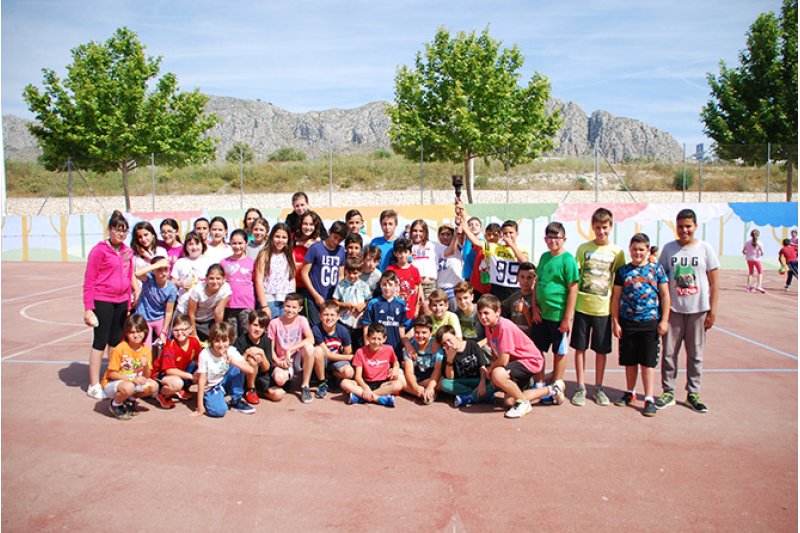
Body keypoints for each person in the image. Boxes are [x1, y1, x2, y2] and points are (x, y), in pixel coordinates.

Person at [656, 208, 719, 413]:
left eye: (688, 226)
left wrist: (712, 310)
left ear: (695, 227)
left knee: (695, 354)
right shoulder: (668, 249)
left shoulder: (705, 249)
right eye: (681, 226)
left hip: (698, 310)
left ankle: (693, 393)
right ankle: (668, 392)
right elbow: (660, 280)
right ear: (676, 226)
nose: (684, 230)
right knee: (669, 353)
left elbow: (714, 282)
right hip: (673, 310)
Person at [570, 207, 625, 407]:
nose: (601, 231)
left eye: (604, 227)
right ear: (592, 227)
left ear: (610, 227)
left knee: (601, 351)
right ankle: (580, 387)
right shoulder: (583, 249)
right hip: (582, 308)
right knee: (580, 348)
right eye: (597, 227)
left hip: (604, 310)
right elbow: (575, 280)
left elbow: (618, 285)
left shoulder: (617, 253)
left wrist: (617, 316)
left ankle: (599, 387)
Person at [611, 233, 670, 417]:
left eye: (641, 249)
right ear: (630, 249)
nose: (638, 253)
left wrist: (664, 320)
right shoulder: (622, 271)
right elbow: (616, 297)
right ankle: (630, 392)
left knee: (647, 363)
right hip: (628, 322)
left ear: (647, 250)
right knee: (629, 361)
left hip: (649, 323)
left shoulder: (656, 270)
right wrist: (615, 321)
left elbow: (665, 296)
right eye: (634, 249)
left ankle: (649, 398)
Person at [479, 294, 565, 418]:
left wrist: (492, 369)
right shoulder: (489, 327)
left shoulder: (504, 327)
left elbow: (503, 361)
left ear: (498, 312)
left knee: (498, 374)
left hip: (530, 360)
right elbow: (494, 350)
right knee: (509, 401)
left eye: (486, 313)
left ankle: (524, 403)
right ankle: (553, 390)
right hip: (517, 361)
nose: (483, 317)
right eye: (480, 313)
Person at [84, 210, 136, 400]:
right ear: (109, 229)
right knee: (100, 340)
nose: (120, 234)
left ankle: (109, 378)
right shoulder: (99, 251)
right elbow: (89, 280)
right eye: (117, 229)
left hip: (121, 301)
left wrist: (129, 303)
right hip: (103, 299)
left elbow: (129, 277)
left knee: (115, 341)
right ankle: (93, 384)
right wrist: (89, 308)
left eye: (124, 231)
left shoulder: (127, 252)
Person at [530, 222, 579, 387]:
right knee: (537, 350)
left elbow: (573, 290)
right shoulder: (544, 257)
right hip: (541, 315)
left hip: (558, 316)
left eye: (556, 237)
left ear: (564, 239)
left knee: (559, 352)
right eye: (549, 238)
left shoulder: (568, 260)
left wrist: (567, 318)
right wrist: (535, 307)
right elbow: (537, 283)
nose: (553, 241)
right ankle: (539, 383)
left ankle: (557, 384)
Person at [102, 314, 159, 419]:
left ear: (145, 332)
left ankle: (130, 399)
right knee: (129, 387)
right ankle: (115, 404)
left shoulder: (146, 350)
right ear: (126, 333)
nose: (136, 335)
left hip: (133, 382)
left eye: (139, 332)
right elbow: (112, 373)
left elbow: (147, 375)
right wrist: (131, 379)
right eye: (132, 332)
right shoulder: (120, 348)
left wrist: (145, 365)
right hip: (114, 383)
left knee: (153, 386)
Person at [195, 322, 255, 417]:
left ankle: (236, 399)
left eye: (224, 341)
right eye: (217, 341)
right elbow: (202, 380)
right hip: (212, 386)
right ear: (212, 341)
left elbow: (250, 370)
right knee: (219, 411)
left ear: (229, 341)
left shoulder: (231, 350)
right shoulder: (205, 354)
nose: (221, 344)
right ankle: (213, 398)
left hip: (223, 380)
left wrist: (233, 362)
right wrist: (200, 406)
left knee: (238, 366)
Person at [266, 293, 317, 403]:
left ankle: (305, 386)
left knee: (309, 348)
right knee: (279, 380)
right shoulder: (274, 323)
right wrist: (278, 362)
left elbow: (310, 339)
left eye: (294, 307)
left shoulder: (302, 320)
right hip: (282, 360)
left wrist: (289, 350)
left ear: (300, 309)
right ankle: (287, 380)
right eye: (288, 306)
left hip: (297, 358)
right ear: (283, 305)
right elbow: (270, 348)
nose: (290, 310)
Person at [341, 323, 403, 407]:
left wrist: (396, 367)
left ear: (384, 339)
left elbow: (395, 361)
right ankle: (379, 399)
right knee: (344, 383)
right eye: (373, 338)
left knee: (398, 384)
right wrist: (366, 388)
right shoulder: (360, 352)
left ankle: (362, 398)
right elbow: (358, 377)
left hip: (382, 384)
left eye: (379, 339)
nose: (376, 342)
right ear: (367, 338)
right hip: (365, 383)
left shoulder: (389, 349)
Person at [300, 221, 348, 325]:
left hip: (331, 300)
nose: (336, 242)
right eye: (335, 237)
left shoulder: (341, 251)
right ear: (329, 232)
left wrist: (338, 297)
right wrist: (315, 295)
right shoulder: (315, 248)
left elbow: (341, 276)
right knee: (316, 329)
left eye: (340, 240)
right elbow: (304, 273)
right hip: (314, 298)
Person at [436, 325, 495, 407]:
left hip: (477, 380)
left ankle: (469, 398)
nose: (448, 344)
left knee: (495, 379)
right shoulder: (447, 354)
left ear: (455, 335)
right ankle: (480, 396)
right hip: (462, 383)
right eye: (444, 343)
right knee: (444, 383)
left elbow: (482, 365)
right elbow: (450, 378)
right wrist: (450, 360)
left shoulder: (472, 345)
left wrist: (482, 382)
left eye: (449, 340)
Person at [152, 313, 202, 408]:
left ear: (190, 329)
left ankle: (182, 389)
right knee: (177, 383)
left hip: (181, 370)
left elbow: (201, 359)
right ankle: (162, 393)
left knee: (202, 369)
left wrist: (200, 373)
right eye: (176, 330)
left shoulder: (194, 341)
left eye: (183, 329)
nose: (179, 333)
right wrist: (191, 376)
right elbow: (169, 370)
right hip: (161, 375)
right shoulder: (170, 346)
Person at [311, 301, 355, 398]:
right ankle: (322, 382)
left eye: (332, 315)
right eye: (326, 315)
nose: (329, 318)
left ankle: (333, 375)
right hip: (322, 360)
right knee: (317, 350)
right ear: (320, 316)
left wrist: (348, 356)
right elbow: (329, 355)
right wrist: (350, 357)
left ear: (338, 316)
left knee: (349, 372)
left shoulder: (343, 330)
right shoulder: (316, 329)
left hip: (337, 360)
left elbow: (348, 351)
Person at [254, 223, 296, 320]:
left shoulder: (290, 254)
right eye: (277, 236)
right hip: (269, 300)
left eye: (284, 237)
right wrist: (264, 305)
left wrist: (292, 301)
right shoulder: (264, 254)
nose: (280, 240)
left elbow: (292, 278)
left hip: (285, 301)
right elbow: (259, 281)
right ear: (271, 237)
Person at [134, 256, 178, 349]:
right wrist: (155, 265)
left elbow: (169, 311)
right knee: (146, 347)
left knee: (167, 345)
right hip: (144, 316)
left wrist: (164, 331)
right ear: (153, 271)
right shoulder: (149, 279)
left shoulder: (171, 288)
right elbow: (137, 274)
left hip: (159, 317)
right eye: (159, 270)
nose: (163, 273)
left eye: (166, 270)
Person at [361, 270, 407, 355]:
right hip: (376, 347)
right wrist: (367, 345)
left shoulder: (401, 304)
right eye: (384, 284)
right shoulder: (373, 303)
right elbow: (366, 326)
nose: (387, 288)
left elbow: (401, 327)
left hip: (395, 347)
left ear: (396, 286)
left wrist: (405, 345)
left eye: (390, 285)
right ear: (380, 285)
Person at [221, 229, 256, 338]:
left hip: (247, 305)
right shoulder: (224, 262)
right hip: (229, 305)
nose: (237, 246)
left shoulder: (252, 262)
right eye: (234, 243)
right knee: (232, 336)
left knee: (246, 335)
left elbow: (256, 282)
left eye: (240, 243)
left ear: (246, 243)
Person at [183, 264, 232, 341]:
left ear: (224, 279)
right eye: (211, 278)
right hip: (189, 316)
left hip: (208, 319)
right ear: (206, 279)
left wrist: (218, 332)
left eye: (218, 278)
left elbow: (219, 312)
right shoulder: (198, 290)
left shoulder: (225, 289)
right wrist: (194, 334)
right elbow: (191, 313)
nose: (215, 282)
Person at [332, 256, 372, 351]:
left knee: (358, 344)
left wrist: (363, 305)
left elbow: (369, 300)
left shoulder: (364, 285)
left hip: (359, 321)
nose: (352, 276)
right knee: (346, 344)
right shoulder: (341, 285)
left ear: (360, 272)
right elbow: (334, 301)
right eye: (349, 273)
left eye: (355, 273)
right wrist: (343, 305)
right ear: (345, 271)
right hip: (345, 320)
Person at [233, 310, 272, 405]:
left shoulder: (266, 340)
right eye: (255, 325)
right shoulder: (240, 341)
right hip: (244, 377)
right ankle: (250, 389)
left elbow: (267, 368)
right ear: (248, 324)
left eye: (261, 327)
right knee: (252, 360)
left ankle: (258, 391)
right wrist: (246, 354)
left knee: (278, 394)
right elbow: (236, 365)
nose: (258, 329)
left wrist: (262, 354)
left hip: (260, 377)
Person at [401, 316, 442, 404]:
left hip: (430, 378)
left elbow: (437, 370)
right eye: (417, 332)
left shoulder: (436, 346)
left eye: (424, 333)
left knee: (443, 382)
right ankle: (422, 393)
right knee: (399, 378)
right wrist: (415, 387)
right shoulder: (409, 347)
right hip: (415, 377)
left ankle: (424, 391)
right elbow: (409, 371)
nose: (420, 336)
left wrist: (430, 386)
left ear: (431, 332)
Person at [409, 219, 445, 312]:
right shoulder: (407, 246)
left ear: (425, 233)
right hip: (414, 285)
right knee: (415, 313)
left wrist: (457, 235)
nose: (417, 233)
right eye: (415, 231)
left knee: (429, 314)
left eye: (421, 231)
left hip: (430, 286)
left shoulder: (433, 245)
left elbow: (450, 251)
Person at [171, 231, 211, 312]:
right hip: (183, 307)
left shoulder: (209, 262)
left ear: (203, 246)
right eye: (190, 244)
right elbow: (172, 281)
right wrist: (179, 283)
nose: (194, 247)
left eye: (197, 244)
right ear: (185, 247)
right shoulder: (180, 262)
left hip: (203, 308)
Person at [386, 238, 422, 324]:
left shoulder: (414, 270)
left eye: (405, 252)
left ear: (410, 253)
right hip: (394, 312)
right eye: (400, 252)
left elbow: (417, 291)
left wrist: (416, 309)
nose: (402, 255)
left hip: (410, 313)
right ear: (395, 253)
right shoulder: (390, 269)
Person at [292, 210, 323, 304]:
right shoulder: (291, 238)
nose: (308, 227)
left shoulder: (318, 242)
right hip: (293, 284)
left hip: (310, 286)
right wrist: (299, 243)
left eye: (311, 224)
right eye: (305, 224)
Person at [501, 262, 536, 336]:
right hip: (514, 338)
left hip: (530, 340)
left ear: (535, 279)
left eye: (529, 277)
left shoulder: (537, 298)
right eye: (522, 277)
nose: (525, 281)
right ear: (517, 278)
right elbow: (498, 308)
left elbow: (538, 327)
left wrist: (526, 311)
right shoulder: (514, 297)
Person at [742, 229, 766, 293]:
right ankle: (759, 285)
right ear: (758, 235)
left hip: (749, 259)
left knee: (751, 273)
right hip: (756, 259)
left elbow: (744, 251)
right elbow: (762, 252)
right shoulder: (759, 243)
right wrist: (761, 253)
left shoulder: (747, 242)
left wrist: (747, 253)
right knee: (760, 272)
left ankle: (748, 287)